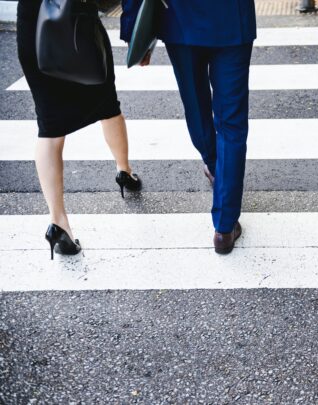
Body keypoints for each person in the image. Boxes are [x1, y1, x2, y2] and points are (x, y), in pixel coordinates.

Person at [121, 0, 256, 254]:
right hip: (232, 19)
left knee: (196, 109)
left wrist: (132, 27)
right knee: (232, 122)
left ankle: (216, 168)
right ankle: (224, 228)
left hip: (180, 20)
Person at [16, 0, 142, 260]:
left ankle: (58, 221)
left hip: (35, 29)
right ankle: (124, 171)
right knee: (107, 104)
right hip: (76, 25)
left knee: (49, 128)